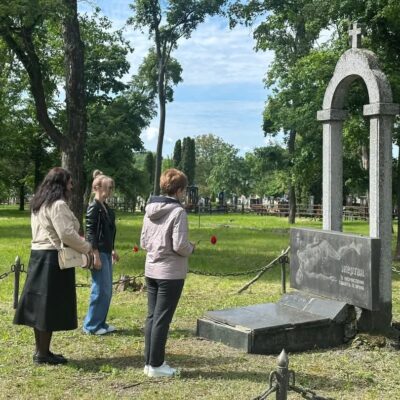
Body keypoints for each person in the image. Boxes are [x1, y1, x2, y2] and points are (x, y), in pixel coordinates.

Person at [14, 167, 92, 365]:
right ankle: (42, 354)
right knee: (47, 307)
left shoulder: (38, 204)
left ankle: (41, 351)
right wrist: (87, 248)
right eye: (69, 182)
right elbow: (67, 233)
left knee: (40, 306)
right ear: (61, 184)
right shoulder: (58, 205)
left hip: (38, 255)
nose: (71, 186)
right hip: (52, 259)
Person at [140, 168, 195, 377]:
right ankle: (156, 364)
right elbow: (180, 245)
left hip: (151, 269)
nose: (184, 193)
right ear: (179, 190)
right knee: (162, 319)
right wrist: (191, 248)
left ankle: (149, 362)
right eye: (184, 190)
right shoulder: (178, 212)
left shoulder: (149, 210)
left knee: (152, 317)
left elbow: (143, 242)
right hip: (170, 273)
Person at [82, 170, 119, 335]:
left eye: (111, 188)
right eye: (107, 187)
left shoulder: (106, 208)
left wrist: (112, 249)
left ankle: (101, 323)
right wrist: (95, 255)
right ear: (97, 188)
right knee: (100, 289)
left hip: (106, 252)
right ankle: (91, 326)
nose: (110, 190)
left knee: (107, 289)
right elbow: (90, 233)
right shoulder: (94, 208)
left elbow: (109, 232)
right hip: (99, 253)